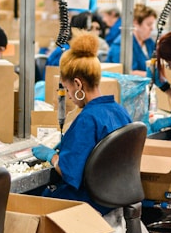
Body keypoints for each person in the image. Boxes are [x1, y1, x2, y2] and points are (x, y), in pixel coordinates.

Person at [32, 33, 131, 213]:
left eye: (67, 88)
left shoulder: (87, 119)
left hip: (88, 202)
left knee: (30, 199)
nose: (68, 95)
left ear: (77, 84)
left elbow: (68, 171)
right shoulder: (119, 110)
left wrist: (51, 156)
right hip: (114, 198)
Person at [106, 3, 157, 76]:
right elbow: (126, 73)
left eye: (152, 25)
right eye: (149, 24)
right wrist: (153, 76)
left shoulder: (149, 43)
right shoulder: (121, 45)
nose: (152, 28)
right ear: (135, 23)